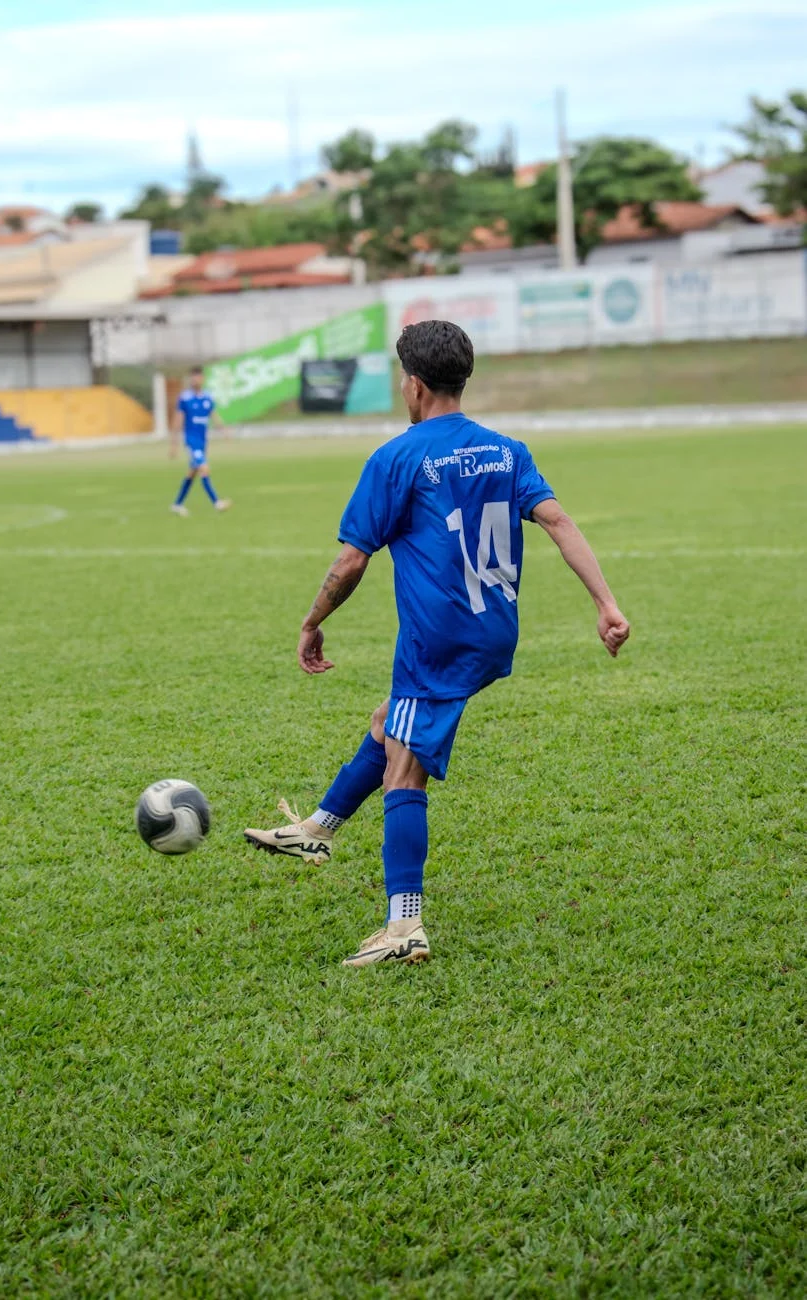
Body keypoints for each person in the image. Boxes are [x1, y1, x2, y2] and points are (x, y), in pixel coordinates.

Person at [244, 320, 630, 968]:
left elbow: (349, 564)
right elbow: (557, 520)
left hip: (439, 636)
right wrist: (605, 603)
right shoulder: (506, 449)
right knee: (389, 724)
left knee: (405, 763)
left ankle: (404, 927)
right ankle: (316, 830)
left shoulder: (398, 457)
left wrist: (312, 621)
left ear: (414, 384)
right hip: (492, 627)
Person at [170, 365, 231, 514]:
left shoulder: (207, 397)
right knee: (204, 468)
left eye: (198, 376)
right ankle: (217, 503)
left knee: (192, 472)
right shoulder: (185, 398)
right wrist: (174, 444)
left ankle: (177, 504)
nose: (195, 379)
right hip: (191, 440)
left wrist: (224, 431)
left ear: (202, 379)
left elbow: (214, 415)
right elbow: (178, 420)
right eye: (193, 377)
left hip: (203, 441)